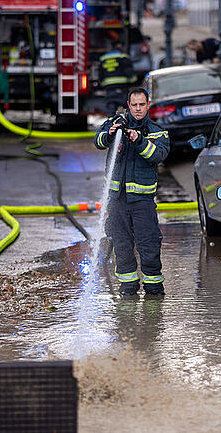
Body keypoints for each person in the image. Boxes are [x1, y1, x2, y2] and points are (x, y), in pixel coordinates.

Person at [94, 87, 170, 296]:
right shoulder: (115, 124)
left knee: (149, 245)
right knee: (121, 244)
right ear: (128, 105)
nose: (137, 109)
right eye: (134, 105)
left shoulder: (157, 131)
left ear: (148, 105)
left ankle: (154, 289)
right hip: (117, 200)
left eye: (141, 105)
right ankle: (128, 289)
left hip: (142, 202)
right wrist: (109, 135)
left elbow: (157, 155)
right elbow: (98, 141)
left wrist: (138, 140)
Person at [98, 40, 136, 115]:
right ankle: (125, 123)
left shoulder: (104, 58)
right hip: (122, 87)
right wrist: (134, 83)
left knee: (111, 108)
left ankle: (111, 123)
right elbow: (129, 72)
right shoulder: (123, 57)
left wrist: (103, 85)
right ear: (120, 46)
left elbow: (100, 75)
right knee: (125, 109)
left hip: (109, 88)